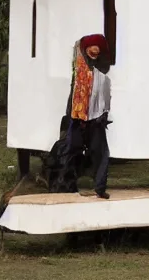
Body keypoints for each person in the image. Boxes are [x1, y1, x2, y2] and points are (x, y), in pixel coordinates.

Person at [58, 33, 112, 199]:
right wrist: (70, 115)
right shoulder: (78, 68)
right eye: (91, 50)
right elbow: (77, 46)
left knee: (101, 152)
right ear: (85, 50)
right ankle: (65, 187)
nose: (94, 53)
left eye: (97, 51)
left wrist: (104, 114)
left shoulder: (101, 72)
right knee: (70, 152)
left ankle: (100, 187)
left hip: (96, 118)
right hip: (77, 116)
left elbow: (105, 95)